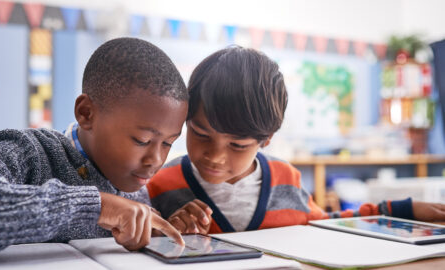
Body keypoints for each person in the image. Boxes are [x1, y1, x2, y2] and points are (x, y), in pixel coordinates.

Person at [0, 37, 187, 254]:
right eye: (142, 140)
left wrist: (164, 229)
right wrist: (95, 206)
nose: (155, 159)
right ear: (87, 113)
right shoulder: (30, 153)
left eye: (168, 144)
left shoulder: (136, 189)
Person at [147, 46, 445, 234]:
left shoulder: (286, 179)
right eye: (200, 134)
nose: (215, 156)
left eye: (237, 145)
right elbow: (136, 240)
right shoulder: (160, 184)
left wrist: (396, 211)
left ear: (266, 140)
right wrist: (164, 233)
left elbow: (327, 224)